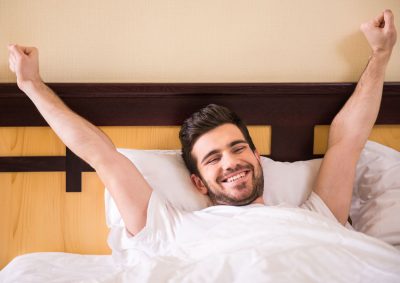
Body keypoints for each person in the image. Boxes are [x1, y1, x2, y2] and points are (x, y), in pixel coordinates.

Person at [7, 10, 397, 237]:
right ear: (197, 182)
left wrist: (380, 56)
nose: (231, 162)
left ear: (258, 157)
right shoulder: (169, 227)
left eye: (237, 148)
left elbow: (347, 141)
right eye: (212, 159)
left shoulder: (315, 217)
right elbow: (100, 154)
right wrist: (31, 84)